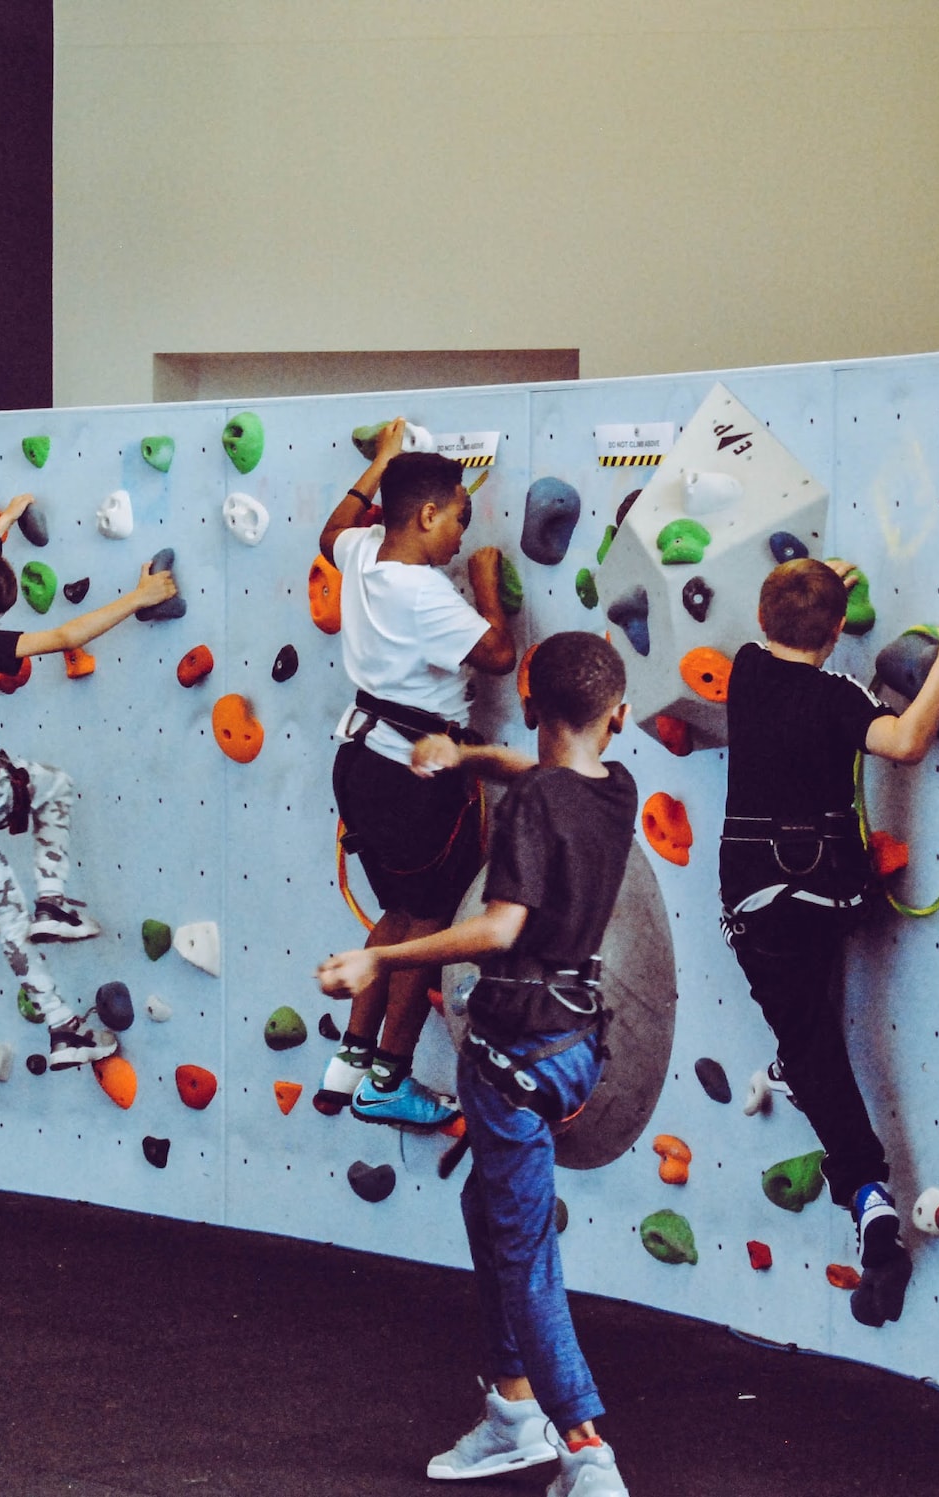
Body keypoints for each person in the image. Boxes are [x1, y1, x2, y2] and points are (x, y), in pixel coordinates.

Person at [319, 631, 635, 1496]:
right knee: (487, 1204)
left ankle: (584, 1449)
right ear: (621, 715)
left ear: (530, 707)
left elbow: (500, 927)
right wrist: (462, 753)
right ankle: (511, 1410)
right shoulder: (615, 789)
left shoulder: (534, 805)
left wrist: (381, 961)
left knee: (523, 1247)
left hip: (514, 1050)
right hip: (574, 1048)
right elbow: (532, 768)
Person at [720, 558, 939, 1324]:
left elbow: (786, 624)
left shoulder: (745, 669)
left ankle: (870, 1203)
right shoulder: (837, 695)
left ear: (763, 622)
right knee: (810, 1038)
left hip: (760, 896)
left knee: (808, 1040)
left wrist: (813, 582)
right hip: (831, 895)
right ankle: (853, 1169)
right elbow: (902, 740)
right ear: (837, 633)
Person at [0, 496, 176, 1069]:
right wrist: (139, 597)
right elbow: (68, 636)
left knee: (3, 913)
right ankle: (53, 901)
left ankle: (63, 1027)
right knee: (55, 785)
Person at [312, 420, 516, 1129]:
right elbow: (498, 655)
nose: (463, 533)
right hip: (411, 779)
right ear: (427, 515)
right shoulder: (422, 592)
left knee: (398, 914)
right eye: (461, 516)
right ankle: (387, 1079)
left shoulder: (364, 548)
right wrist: (486, 585)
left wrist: (381, 463)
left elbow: (330, 529)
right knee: (429, 922)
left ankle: (348, 1059)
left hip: (361, 763)